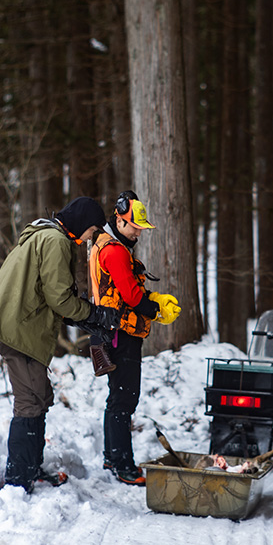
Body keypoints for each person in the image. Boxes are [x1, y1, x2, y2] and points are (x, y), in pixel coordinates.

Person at [0, 197, 120, 493]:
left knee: (40, 395)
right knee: (30, 401)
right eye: (92, 230)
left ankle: (31, 467)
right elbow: (61, 299)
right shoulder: (55, 241)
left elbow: (49, 296)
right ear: (82, 223)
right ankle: (17, 480)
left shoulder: (47, 234)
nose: (91, 238)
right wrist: (95, 313)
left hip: (18, 322)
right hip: (15, 327)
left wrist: (84, 319)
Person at [88, 190, 181, 485]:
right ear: (119, 218)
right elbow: (129, 294)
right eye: (134, 226)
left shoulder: (107, 244)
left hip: (110, 329)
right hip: (120, 333)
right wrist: (155, 309)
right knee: (125, 398)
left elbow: (124, 289)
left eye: (141, 227)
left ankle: (112, 456)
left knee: (118, 398)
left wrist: (151, 298)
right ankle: (123, 465)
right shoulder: (114, 250)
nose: (138, 232)